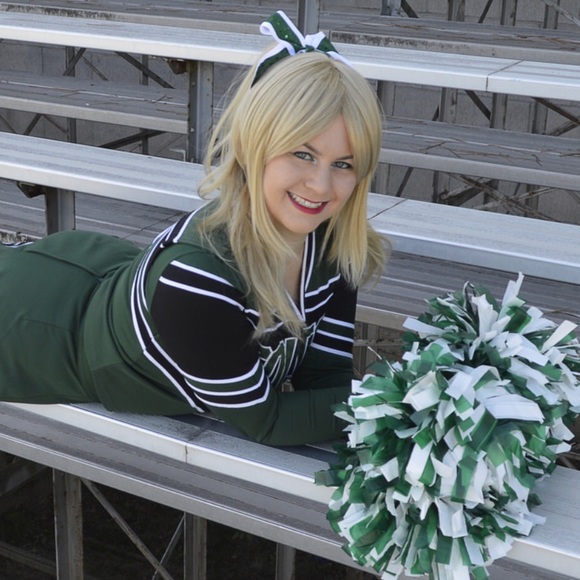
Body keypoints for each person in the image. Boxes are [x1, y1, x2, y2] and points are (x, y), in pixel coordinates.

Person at [0, 11, 387, 446]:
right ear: (254, 146)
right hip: (31, 330)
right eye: (303, 154)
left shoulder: (334, 248)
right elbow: (268, 421)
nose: (321, 185)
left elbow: (326, 377)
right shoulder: (198, 283)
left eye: (343, 164)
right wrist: (400, 404)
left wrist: (400, 409)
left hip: (103, 279)